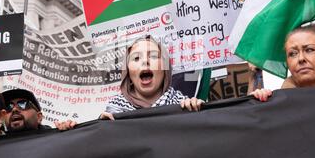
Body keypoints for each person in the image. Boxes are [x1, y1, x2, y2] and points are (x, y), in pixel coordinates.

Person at [55, 35, 204, 130]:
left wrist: (199, 112)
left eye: (153, 56)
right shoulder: (112, 114)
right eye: (136, 58)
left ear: (165, 68)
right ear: (128, 73)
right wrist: (70, 131)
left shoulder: (184, 106)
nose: (145, 61)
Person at [252, 24, 315, 101]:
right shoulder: (276, 104)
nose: (301, 58)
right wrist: (256, 103)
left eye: (309, 50)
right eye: (293, 54)